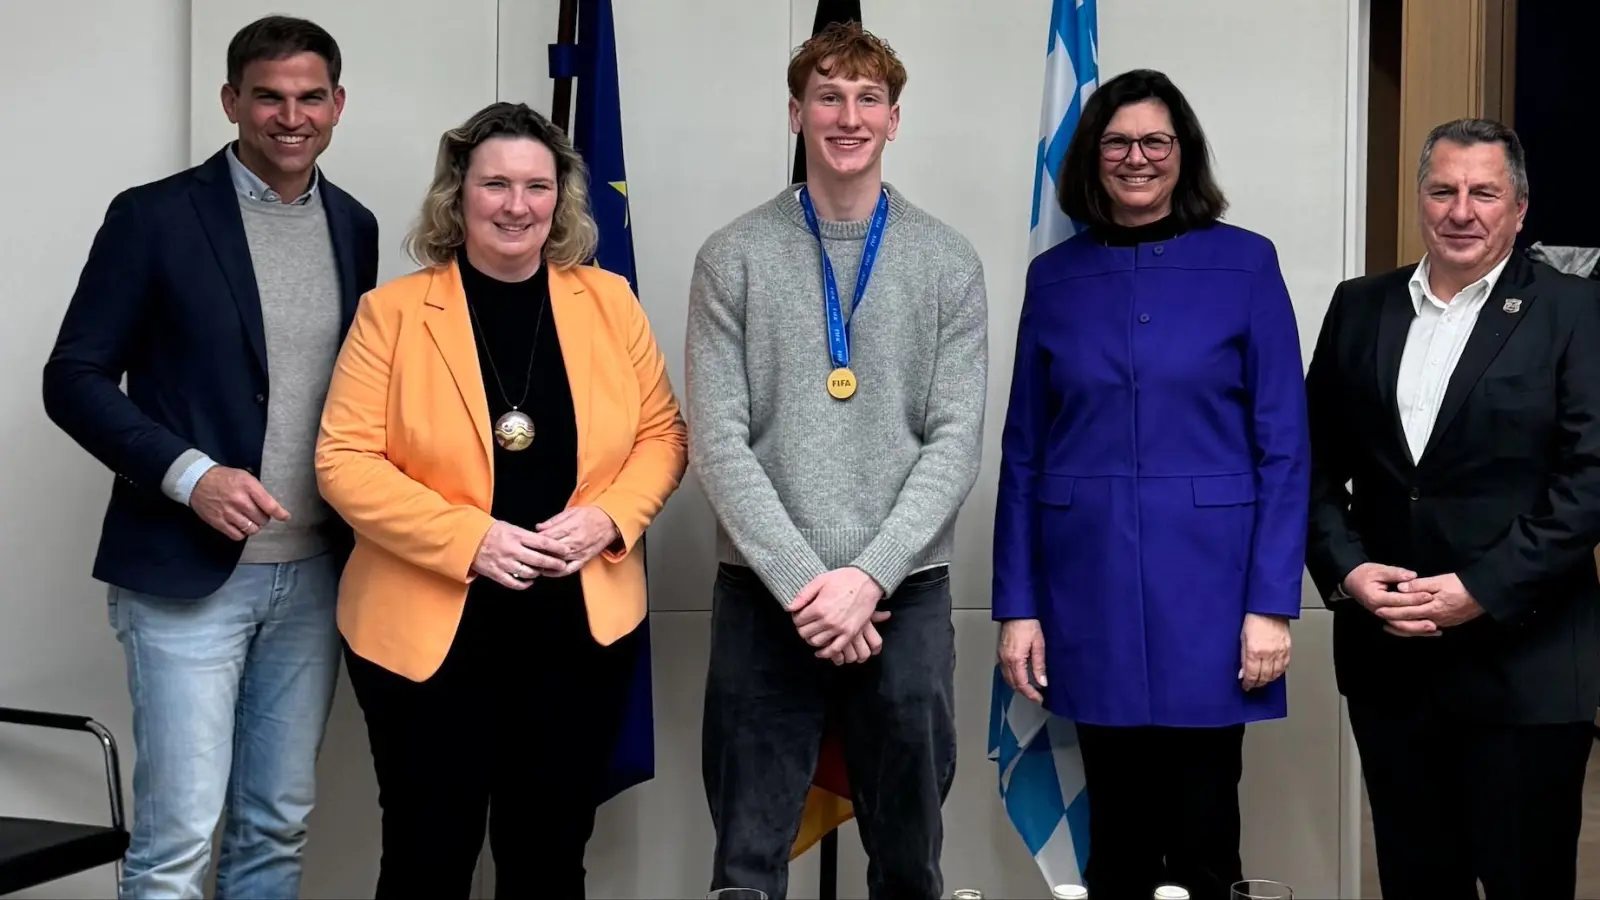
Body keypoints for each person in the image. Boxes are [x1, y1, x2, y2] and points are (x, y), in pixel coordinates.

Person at [40, 16, 378, 898]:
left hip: (315, 577)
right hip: (186, 578)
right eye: (268, 96)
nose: (290, 116)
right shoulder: (153, 216)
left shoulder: (357, 225)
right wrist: (191, 476)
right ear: (231, 101)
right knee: (177, 842)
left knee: (275, 828)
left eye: (310, 97)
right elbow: (72, 378)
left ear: (338, 104)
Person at [314, 100, 686, 899]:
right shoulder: (393, 314)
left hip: (576, 628)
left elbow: (664, 436)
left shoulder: (611, 303)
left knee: (549, 859)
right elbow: (343, 462)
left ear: (560, 199)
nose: (517, 206)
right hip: (430, 632)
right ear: (459, 195)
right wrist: (468, 539)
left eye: (536, 186)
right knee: (426, 856)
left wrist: (610, 518)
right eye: (495, 185)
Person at [991, 68, 1310, 900]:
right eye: (1118, 142)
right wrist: (1018, 606)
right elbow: (1024, 451)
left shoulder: (1247, 264)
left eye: (1156, 141)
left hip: (1213, 594)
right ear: (1093, 159)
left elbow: (1285, 447)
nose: (1138, 158)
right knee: (1119, 846)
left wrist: (1272, 603)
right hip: (1085, 589)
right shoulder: (1054, 276)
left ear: (1184, 153)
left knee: (1206, 834)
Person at [687, 22, 988, 900]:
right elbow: (718, 442)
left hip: (906, 598)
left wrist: (866, 580)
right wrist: (805, 584)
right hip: (762, 599)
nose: (847, 116)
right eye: (828, 96)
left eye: (867, 100)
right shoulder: (732, 256)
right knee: (747, 863)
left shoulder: (948, 261)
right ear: (795, 113)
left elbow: (954, 441)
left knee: (907, 864)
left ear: (896, 120)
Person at [1305, 118, 1600, 900]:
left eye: (1483, 192)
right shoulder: (1358, 307)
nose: (1461, 210)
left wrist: (1483, 588)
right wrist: (1347, 571)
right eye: (1443, 190)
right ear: (1420, 200)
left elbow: (1590, 481)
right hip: (1391, 663)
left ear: (1519, 208)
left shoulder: (1575, 311)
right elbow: (1311, 468)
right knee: (1415, 882)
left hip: (1525, 663)